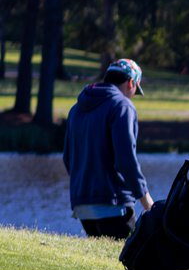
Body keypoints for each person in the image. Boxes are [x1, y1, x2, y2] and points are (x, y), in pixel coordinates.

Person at [62, 57, 153, 240]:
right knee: (130, 261)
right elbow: (126, 160)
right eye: (136, 89)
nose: (133, 95)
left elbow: (68, 158)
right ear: (131, 83)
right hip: (114, 205)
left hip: (82, 205)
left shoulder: (77, 108)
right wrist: (146, 201)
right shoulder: (123, 106)